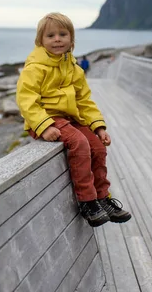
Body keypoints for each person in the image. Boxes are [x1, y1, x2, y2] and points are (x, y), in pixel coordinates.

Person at [16, 12, 131, 227]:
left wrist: (98, 127)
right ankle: (88, 201)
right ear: (40, 41)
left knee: (97, 147)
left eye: (62, 34)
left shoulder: (74, 69)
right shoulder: (34, 68)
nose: (57, 39)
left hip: (71, 119)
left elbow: (85, 101)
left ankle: (102, 198)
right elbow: (26, 100)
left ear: (71, 39)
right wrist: (44, 126)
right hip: (46, 119)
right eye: (50, 36)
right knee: (79, 143)